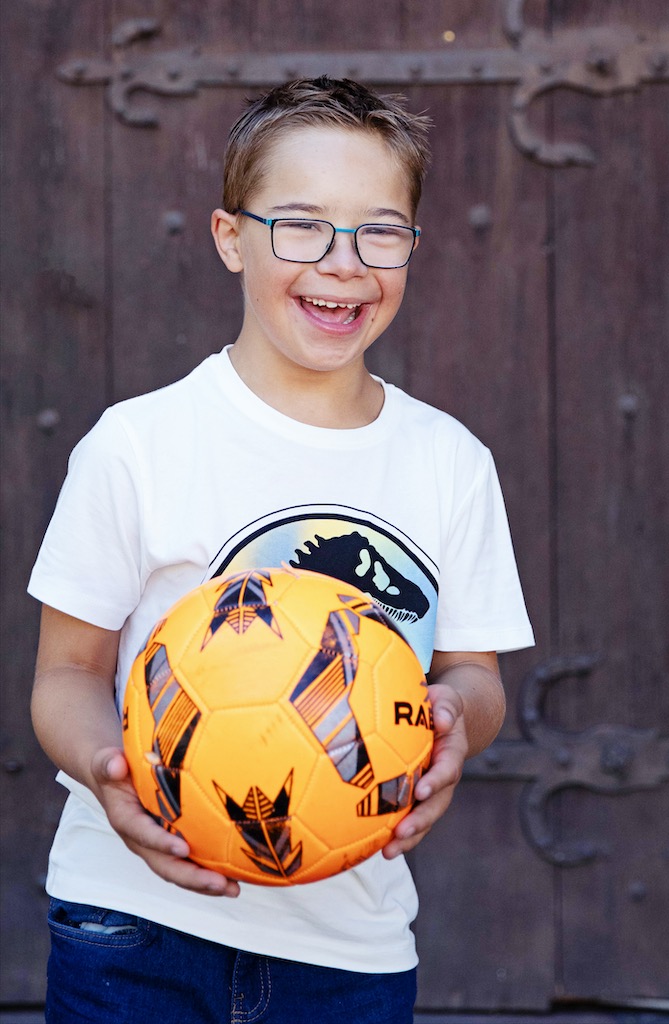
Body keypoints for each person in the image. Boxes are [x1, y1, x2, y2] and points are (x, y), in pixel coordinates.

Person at [28, 76, 534, 1024]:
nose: (344, 263)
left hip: (350, 947)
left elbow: (474, 672)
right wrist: (108, 769)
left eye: (380, 231)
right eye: (300, 226)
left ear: (412, 245)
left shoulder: (448, 462)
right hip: (132, 923)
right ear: (231, 238)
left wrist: (456, 717)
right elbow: (66, 672)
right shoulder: (138, 445)